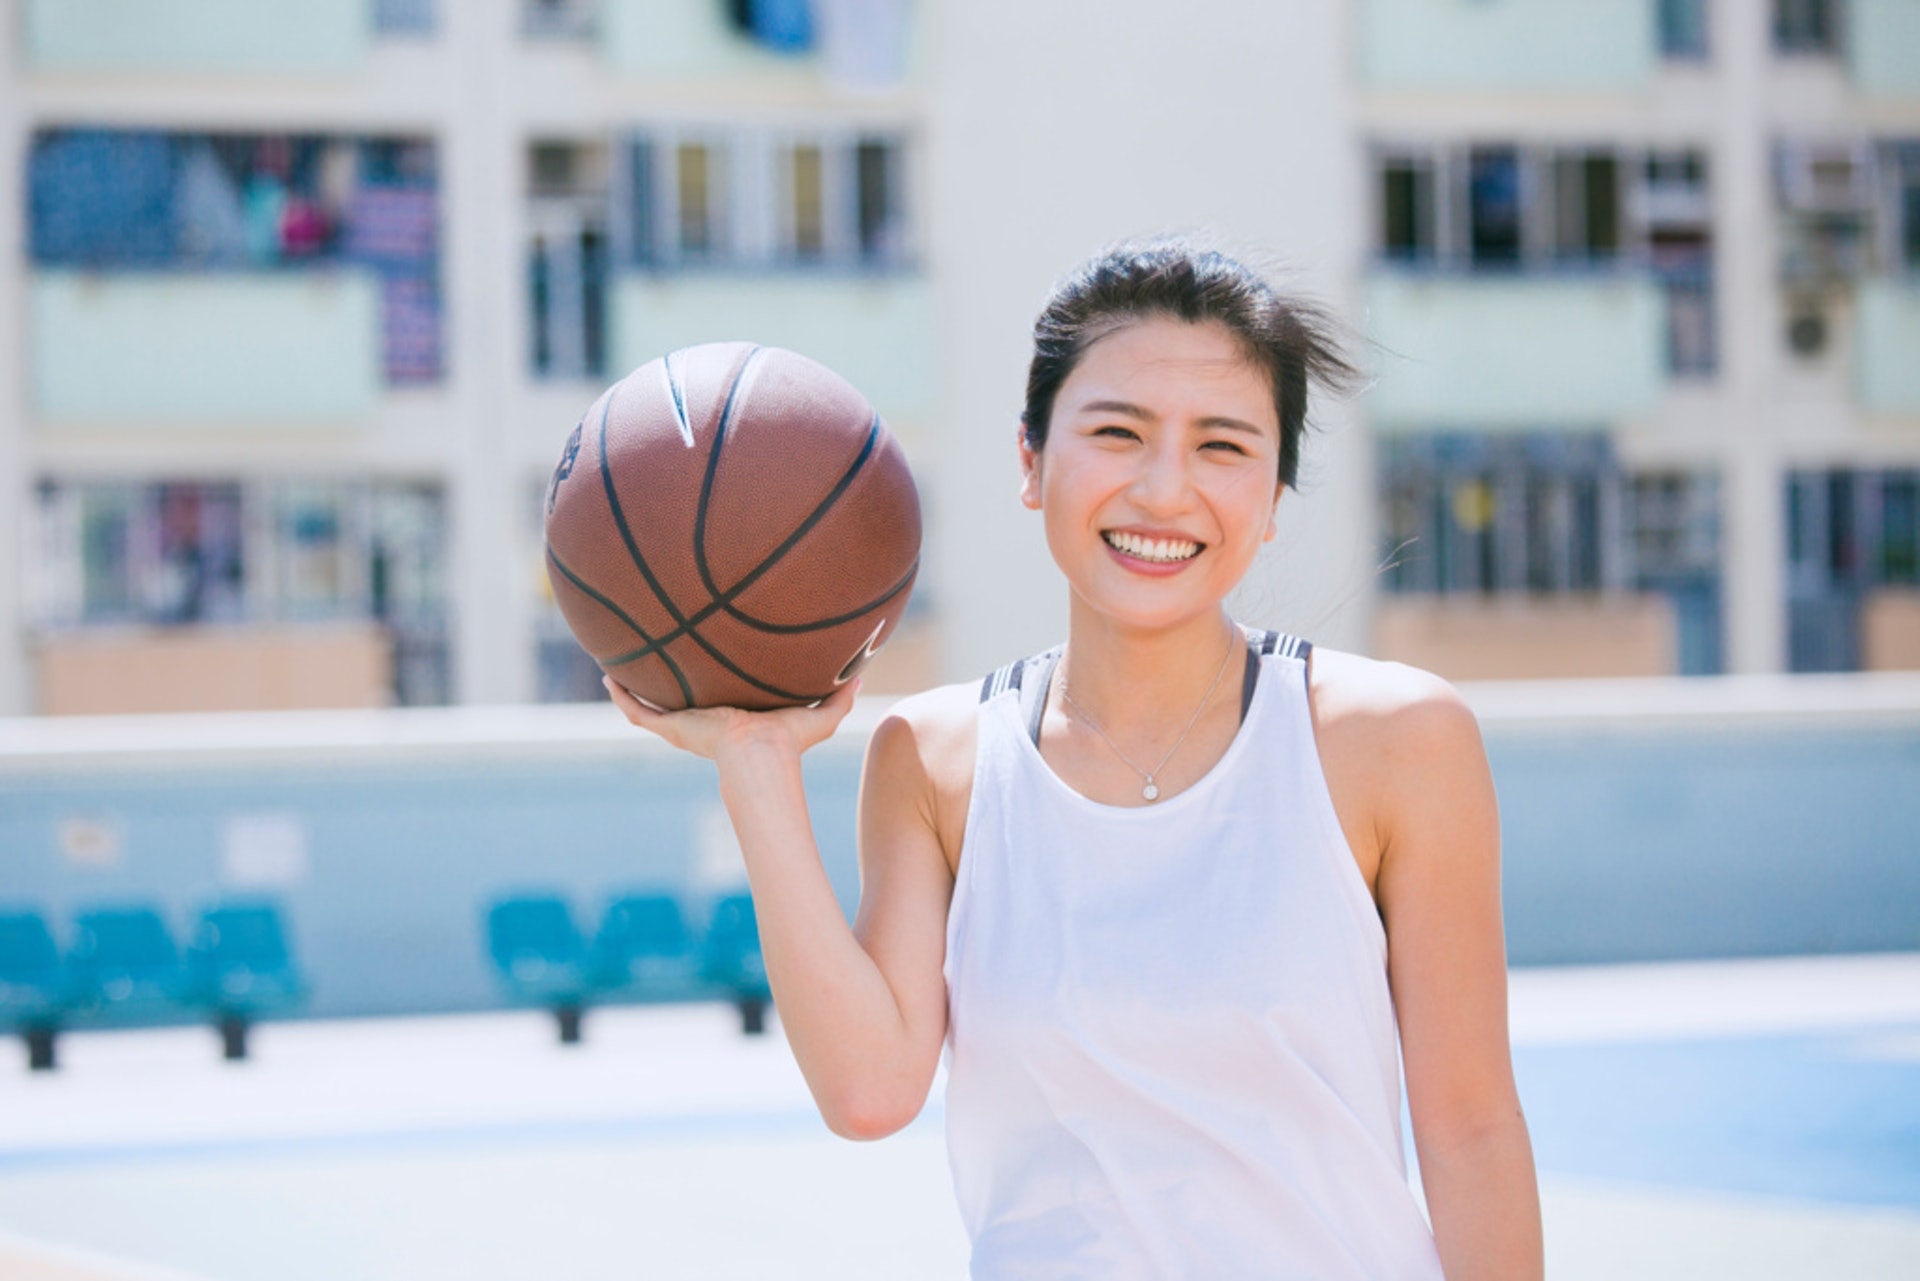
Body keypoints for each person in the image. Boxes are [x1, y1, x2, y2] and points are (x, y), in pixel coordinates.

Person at [606, 238, 1545, 1279]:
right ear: (1030, 461)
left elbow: (1470, 1132)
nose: (1164, 489)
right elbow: (869, 1094)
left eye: (1224, 447)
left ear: (1274, 498)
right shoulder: (936, 759)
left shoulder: (1395, 739)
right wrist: (753, 759)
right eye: (1117, 432)